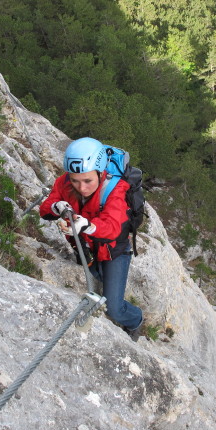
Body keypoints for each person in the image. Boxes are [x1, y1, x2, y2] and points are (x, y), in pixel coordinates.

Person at [39, 137, 144, 341]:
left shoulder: (115, 189)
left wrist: (87, 225)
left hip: (114, 250)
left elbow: (113, 227)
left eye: (88, 181)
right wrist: (57, 207)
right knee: (97, 274)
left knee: (113, 308)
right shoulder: (65, 182)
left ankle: (135, 320)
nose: (82, 188)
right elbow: (46, 207)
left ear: (100, 172)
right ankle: (108, 280)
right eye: (76, 181)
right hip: (85, 247)